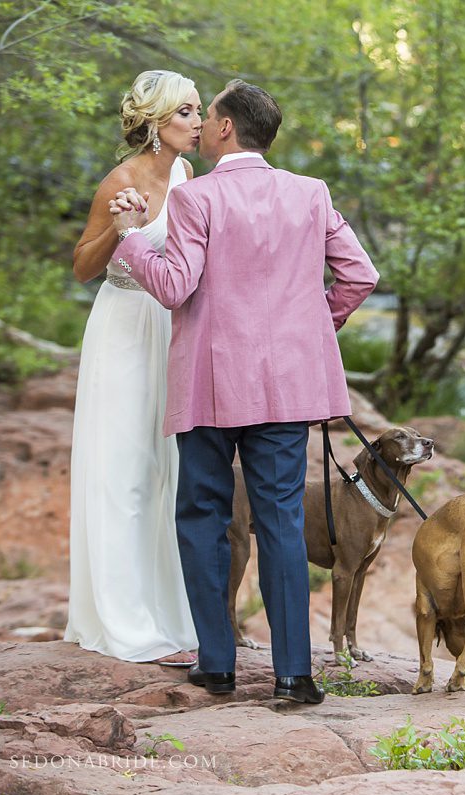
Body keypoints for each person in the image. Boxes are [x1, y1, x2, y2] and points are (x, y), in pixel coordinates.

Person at [108, 79, 379, 703]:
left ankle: (218, 664)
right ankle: (294, 674)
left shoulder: (196, 198)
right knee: (282, 519)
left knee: (203, 515)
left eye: (209, 119)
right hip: (287, 387)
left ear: (226, 128)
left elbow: (175, 287)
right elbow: (359, 275)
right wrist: (314, 325)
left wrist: (130, 240)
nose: (199, 127)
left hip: (209, 385)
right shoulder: (312, 194)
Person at [65, 70, 202, 668]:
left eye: (199, 113)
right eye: (187, 114)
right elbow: (80, 266)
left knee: (164, 467)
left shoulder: (185, 174)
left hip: (170, 325)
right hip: (124, 330)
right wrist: (121, 231)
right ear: (156, 123)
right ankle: (120, 621)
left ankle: (167, 615)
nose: (199, 124)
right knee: (122, 468)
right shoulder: (119, 180)